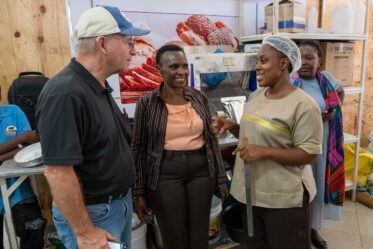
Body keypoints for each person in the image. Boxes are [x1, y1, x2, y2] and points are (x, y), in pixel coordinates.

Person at [35, 6, 150, 249]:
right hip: (94, 215)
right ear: (103, 44)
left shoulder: (97, 85)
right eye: (129, 41)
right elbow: (57, 171)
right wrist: (85, 232)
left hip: (117, 205)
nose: (134, 50)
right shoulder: (65, 92)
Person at [213, 36, 323, 249]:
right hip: (253, 193)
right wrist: (231, 126)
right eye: (257, 60)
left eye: (263, 60)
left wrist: (264, 152)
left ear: (283, 63)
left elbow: (310, 154)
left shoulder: (303, 105)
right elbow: (252, 135)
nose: (257, 66)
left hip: (285, 199)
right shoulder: (257, 95)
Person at [132, 44, 229, 249]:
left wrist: (220, 177)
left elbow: (211, 140)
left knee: (199, 231)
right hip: (165, 172)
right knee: (173, 232)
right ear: (159, 70)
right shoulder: (147, 103)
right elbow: (138, 148)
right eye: (174, 66)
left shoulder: (198, 97)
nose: (182, 72)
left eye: (185, 66)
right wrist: (138, 191)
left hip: (201, 170)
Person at [292, 40, 345, 249]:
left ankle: (314, 229)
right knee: (301, 186)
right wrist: (311, 117)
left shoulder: (327, 79)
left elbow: (340, 93)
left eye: (310, 57)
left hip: (324, 142)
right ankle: (298, 228)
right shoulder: (290, 80)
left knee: (319, 183)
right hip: (299, 144)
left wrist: (335, 109)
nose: (304, 62)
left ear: (319, 60)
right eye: (300, 57)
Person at [0, 86, 45, 249]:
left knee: (35, 227)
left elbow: (28, 147)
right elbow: (24, 141)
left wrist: (24, 141)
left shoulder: (13, 112)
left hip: (17, 188)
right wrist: (20, 139)